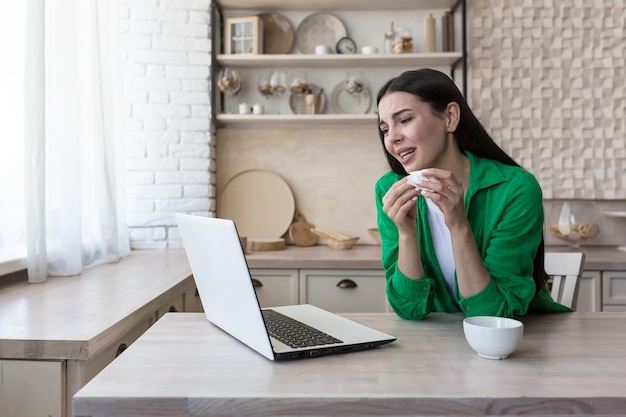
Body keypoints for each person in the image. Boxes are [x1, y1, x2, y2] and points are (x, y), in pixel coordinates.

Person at [375, 68, 570, 320]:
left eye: (404, 120)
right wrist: (406, 232)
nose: (393, 139)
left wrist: (458, 224)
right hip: (439, 347)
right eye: (385, 129)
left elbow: (493, 314)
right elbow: (408, 308)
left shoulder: (515, 189)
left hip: (520, 341)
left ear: (450, 117)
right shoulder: (390, 190)